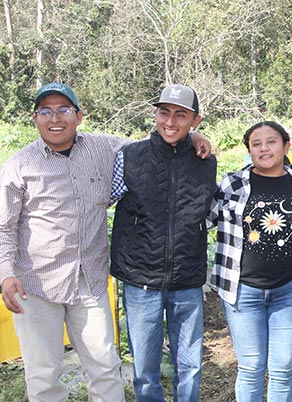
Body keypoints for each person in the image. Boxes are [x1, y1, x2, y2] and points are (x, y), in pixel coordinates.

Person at [0, 82, 211, 402]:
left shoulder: (105, 148)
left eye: (63, 110)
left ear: (79, 116)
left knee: (105, 367)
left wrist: (192, 136)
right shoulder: (19, 165)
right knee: (43, 374)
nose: (55, 118)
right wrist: (5, 272)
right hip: (36, 283)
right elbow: (4, 225)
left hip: (90, 281)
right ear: (35, 118)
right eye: (46, 111)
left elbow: (158, 145)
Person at [110, 84, 217, 401]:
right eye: (164, 112)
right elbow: (100, 201)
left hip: (187, 279)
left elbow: (210, 212)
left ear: (195, 120)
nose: (170, 122)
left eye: (180, 115)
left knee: (191, 367)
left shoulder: (206, 162)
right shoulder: (129, 156)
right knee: (145, 370)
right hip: (141, 280)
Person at [208, 121, 292, 402]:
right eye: (256, 144)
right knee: (251, 366)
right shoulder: (233, 184)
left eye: (271, 142)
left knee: (282, 369)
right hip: (242, 291)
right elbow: (206, 219)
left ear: (285, 146)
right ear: (249, 150)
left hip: (288, 290)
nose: (264, 149)